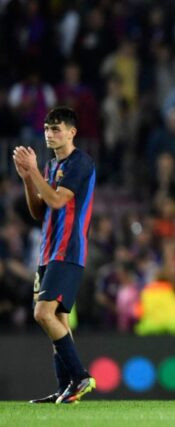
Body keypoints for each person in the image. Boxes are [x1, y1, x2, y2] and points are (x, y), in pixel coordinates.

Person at [13, 107, 97, 404]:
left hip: (68, 250)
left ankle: (81, 377)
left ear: (72, 132)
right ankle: (67, 388)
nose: (50, 134)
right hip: (47, 253)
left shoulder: (80, 162)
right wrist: (28, 178)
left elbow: (59, 201)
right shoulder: (50, 167)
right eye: (47, 129)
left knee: (42, 313)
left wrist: (34, 171)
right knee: (59, 318)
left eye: (56, 129)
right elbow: (40, 210)